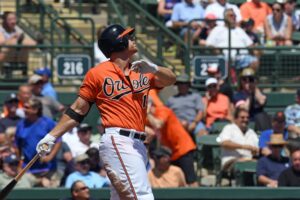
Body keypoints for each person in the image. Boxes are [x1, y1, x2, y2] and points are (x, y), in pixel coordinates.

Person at [36, 24, 176, 200]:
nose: (133, 38)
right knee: (140, 196)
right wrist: (51, 136)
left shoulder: (141, 70)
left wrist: (154, 68)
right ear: (117, 43)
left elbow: (171, 79)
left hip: (139, 144)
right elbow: (78, 109)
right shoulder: (98, 73)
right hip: (119, 139)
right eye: (128, 36)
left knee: (121, 197)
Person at [146, 101, 198, 186]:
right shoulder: (149, 117)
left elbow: (158, 125)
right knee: (174, 179)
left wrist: (147, 113)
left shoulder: (163, 110)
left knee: (191, 181)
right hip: (170, 153)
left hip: (183, 149)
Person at [15, 97, 61, 187]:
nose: (24, 110)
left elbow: (58, 141)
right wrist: (19, 162)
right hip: (28, 170)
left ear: (35, 110)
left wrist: (50, 156)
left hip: (48, 170)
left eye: (27, 107)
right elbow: (17, 145)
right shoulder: (21, 124)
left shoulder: (48, 123)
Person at [217, 107, 259, 173]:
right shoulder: (229, 128)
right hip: (230, 161)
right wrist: (243, 146)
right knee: (243, 165)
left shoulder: (251, 132)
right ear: (236, 119)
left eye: (247, 117)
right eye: (242, 117)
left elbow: (257, 149)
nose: (245, 119)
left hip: (248, 161)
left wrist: (255, 150)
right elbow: (224, 143)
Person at [233, 68, 271, 132]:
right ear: (241, 81)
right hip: (247, 121)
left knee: (262, 116)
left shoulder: (259, 93)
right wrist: (250, 95)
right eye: (244, 79)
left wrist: (254, 88)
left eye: (250, 79)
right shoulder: (238, 95)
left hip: (260, 122)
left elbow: (262, 102)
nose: (247, 82)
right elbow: (245, 109)